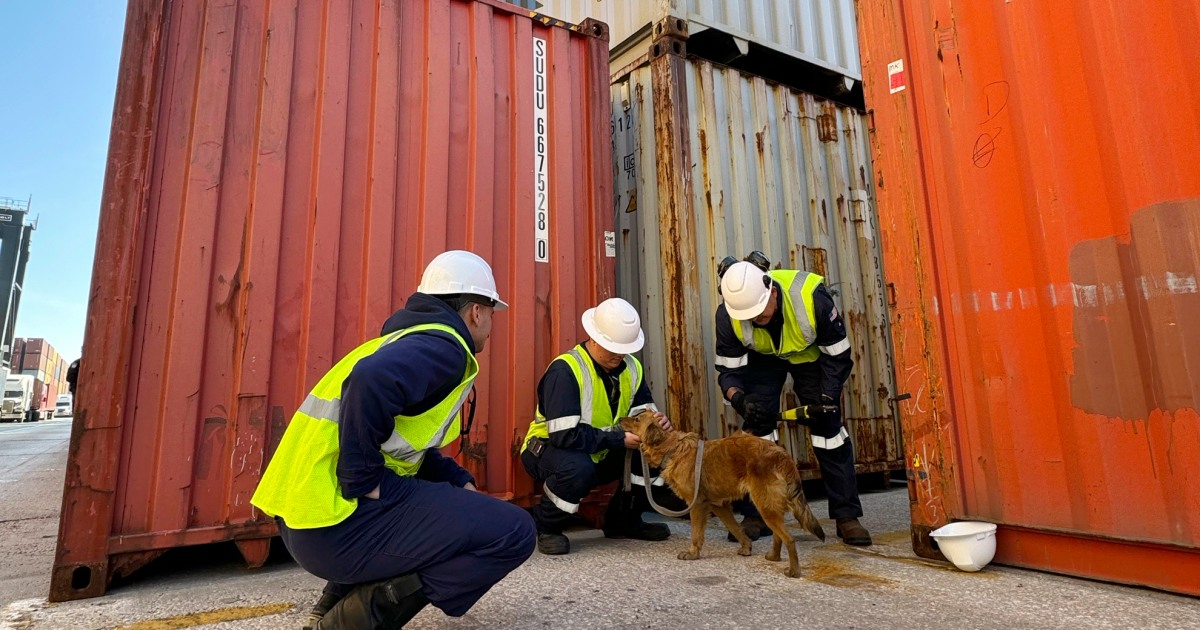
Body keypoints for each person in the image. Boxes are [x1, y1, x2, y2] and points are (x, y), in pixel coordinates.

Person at [251, 250, 536, 629]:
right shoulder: (446, 347)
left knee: (437, 501)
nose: (490, 325)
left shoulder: (400, 342)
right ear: (476, 312)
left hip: (306, 518)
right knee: (514, 532)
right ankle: (349, 623)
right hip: (336, 524)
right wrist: (364, 481)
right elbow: (371, 383)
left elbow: (398, 440)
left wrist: (451, 476)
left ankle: (337, 600)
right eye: (492, 314)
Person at [714, 258, 872, 546]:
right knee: (757, 432)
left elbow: (837, 356)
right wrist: (739, 398)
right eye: (748, 316)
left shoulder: (813, 299)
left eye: (760, 313)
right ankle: (755, 515)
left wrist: (826, 396)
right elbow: (729, 370)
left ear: (772, 291)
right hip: (763, 361)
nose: (754, 319)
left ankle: (847, 516)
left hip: (809, 356)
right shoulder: (729, 314)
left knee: (829, 433)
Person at [520, 297, 674, 555]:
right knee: (576, 468)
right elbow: (564, 435)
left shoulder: (631, 368)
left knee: (652, 452)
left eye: (623, 348)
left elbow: (641, 412)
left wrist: (657, 423)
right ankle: (547, 527)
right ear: (593, 337)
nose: (618, 354)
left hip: (600, 448)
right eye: (612, 347)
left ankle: (623, 521)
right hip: (548, 450)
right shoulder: (566, 371)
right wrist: (618, 440)